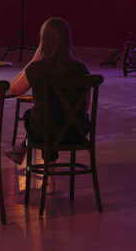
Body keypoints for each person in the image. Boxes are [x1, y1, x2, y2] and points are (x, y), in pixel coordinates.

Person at [6, 17, 90, 164]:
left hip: (44, 133)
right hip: (77, 131)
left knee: (37, 117)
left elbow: (14, 89)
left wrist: (34, 59)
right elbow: (85, 106)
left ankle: (24, 150)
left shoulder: (37, 68)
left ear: (43, 40)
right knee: (51, 117)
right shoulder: (81, 68)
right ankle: (42, 163)